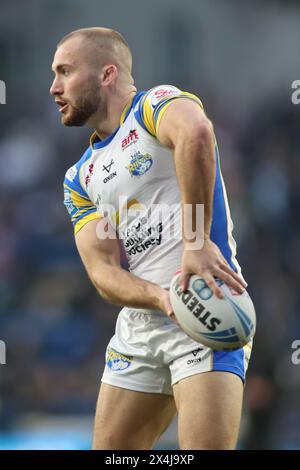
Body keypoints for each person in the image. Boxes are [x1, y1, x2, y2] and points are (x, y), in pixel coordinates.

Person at [50, 27, 252, 450]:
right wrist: (163, 300)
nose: (55, 87)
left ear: (106, 74)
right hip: (144, 324)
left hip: (207, 308)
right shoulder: (79, 178)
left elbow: (197, 133)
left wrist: (196, 242)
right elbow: (103, 272)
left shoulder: (154, 106)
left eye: (65, 72)